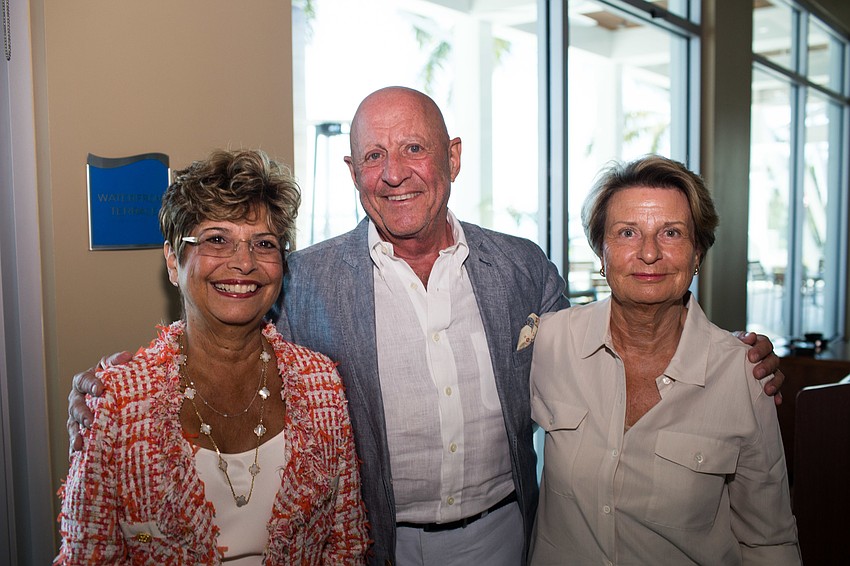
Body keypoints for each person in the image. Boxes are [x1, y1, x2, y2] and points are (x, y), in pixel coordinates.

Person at [67, 88, 783, 565]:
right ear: (351, 171)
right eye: (373, 155)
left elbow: (602, 357)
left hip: (511, 533)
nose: (395, 172)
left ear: (453, 158)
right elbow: (231, 341)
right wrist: (114, 390)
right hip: (380, 541)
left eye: (414, 148)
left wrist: (732, 358)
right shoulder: (302, 276)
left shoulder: (523, 268)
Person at [56, 149, 369, 564]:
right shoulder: (117, 403)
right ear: (172, 260)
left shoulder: (323, 385)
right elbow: (87, 556)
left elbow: (345, 546)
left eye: (264, 243)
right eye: (217, 239)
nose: (244, 263)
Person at [529, 155, 800, 565]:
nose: (649, 253)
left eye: (671, 233)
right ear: (601, 253)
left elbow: (769, 540)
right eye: (627, 233)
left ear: (697, 254)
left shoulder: (745, 375)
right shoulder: (549, 342)